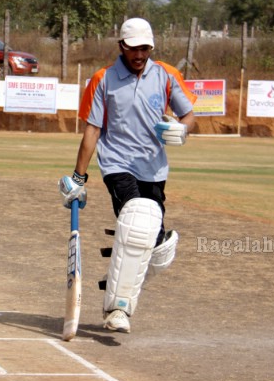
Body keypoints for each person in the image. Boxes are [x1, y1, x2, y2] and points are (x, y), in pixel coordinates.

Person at [59, 17, 196, 334]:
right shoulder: (103, 79)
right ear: (121, 46)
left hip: (155, 167)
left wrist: (183, 129)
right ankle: (117, 310)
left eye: (145, 48)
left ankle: (123, 280)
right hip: (117, 164)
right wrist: (79, 179)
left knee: (155, 245)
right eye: (133, 49)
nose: (139, 55)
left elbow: (188, 115)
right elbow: (92, 129)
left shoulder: (165, 75)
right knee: (136, 223)